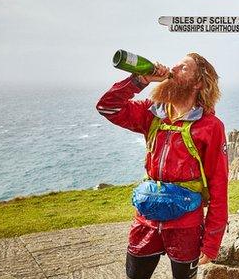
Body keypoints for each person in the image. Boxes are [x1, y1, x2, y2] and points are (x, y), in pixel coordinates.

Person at [96, 53, 229, 279]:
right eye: (175, 65)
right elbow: (107, 107)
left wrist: (212, 241)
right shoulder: (152, 113)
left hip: (186, 225)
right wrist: (139, 81)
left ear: (197, 83)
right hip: (146, 220)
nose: (173, 69)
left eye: (183, 68)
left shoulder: (210, 126)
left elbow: (219, 185)